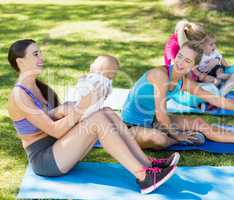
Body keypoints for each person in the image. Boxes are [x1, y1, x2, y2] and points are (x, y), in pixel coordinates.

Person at [6, 39, 180, 194]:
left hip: (61, 149)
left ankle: (148, 166)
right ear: (21, 62)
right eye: (35, 54)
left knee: (106, 112)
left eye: (40, 53)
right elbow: (55, 130)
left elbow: (50, 119)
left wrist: (64, 109)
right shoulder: (19, 95)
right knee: (97, 119)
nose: (41, 58)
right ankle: (144, 178)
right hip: (45, 160)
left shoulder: (39, 87)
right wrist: (81, 107)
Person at [122, 41, 234, 150]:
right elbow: (162, 115)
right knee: (158, 139)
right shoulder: (159, 75)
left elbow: (216, 100)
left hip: (152, 120)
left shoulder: (183, 82)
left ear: (194, 66)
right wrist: (177, 135)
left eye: (187, 61)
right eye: (179, 56)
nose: (180, 63)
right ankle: (178, 140)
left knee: (199, 123)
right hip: (129, 127)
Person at [65, 55, 119, 119]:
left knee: (65, 106)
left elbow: (83, 91)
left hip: (83, 111)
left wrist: (81, 80)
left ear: (100, 68)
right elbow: (108, 92)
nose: (92, 64)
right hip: (94, 112)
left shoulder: (95, 78)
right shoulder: (107, 82)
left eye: (95, 62)